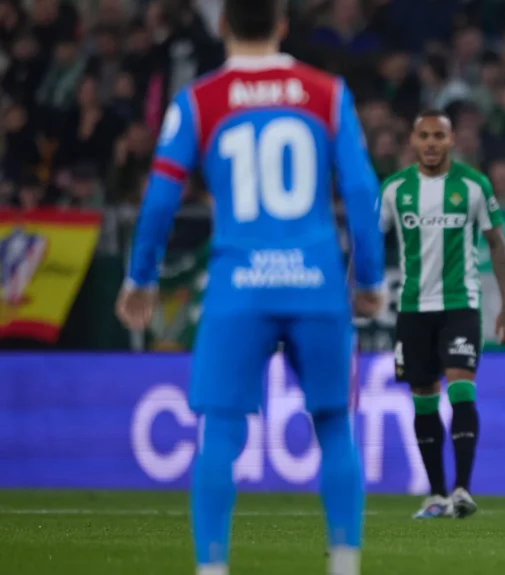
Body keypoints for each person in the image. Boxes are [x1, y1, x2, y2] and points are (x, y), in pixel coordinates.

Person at [114, 1, 383, 573]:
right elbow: (361, 192)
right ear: (282, 25)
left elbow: (159, 200)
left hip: (239, 286)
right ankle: (344, 565)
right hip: (316, 283)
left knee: (220, 431)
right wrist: (368, 279)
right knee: (335, 426)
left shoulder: (199, 101)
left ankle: (212, 568)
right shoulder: (327, 93)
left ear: (221, 26)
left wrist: (141, 277)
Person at [379, 110, 505, 519]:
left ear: (452, 140)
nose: (431, 143)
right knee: (423, 398)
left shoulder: (474, 185)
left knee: (460, 388)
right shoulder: (394, 189)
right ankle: (437, 494)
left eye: (438, 136)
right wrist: (356, 290)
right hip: (412, 308)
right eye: (423, 135)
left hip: (460, 304)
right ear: (413, 140)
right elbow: (368, 242)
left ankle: (462, 489)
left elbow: (497, 244)